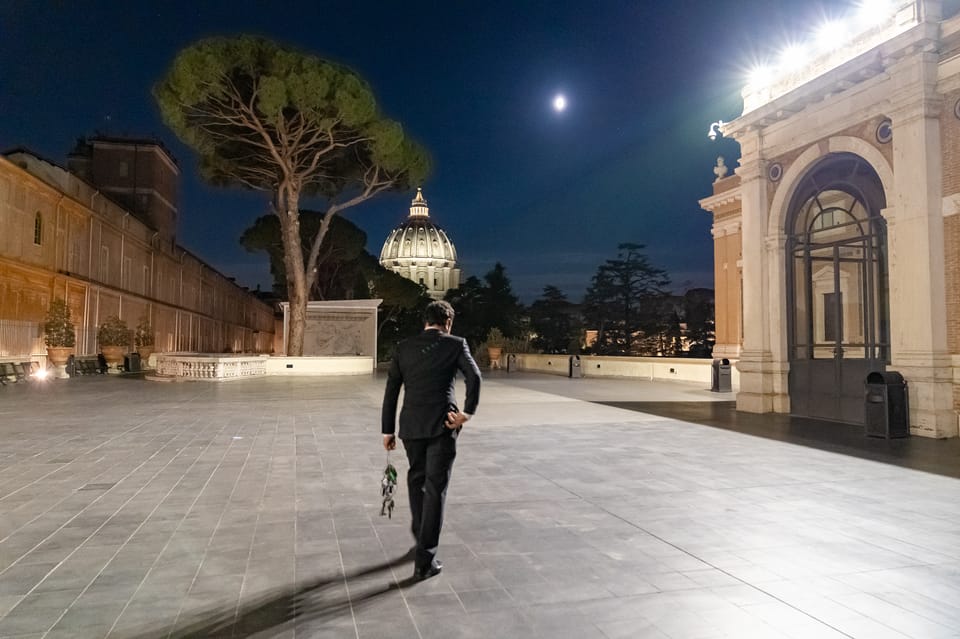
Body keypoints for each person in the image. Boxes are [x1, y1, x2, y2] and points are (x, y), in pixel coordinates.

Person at [381, 300, 481, 580]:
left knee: (417, 481)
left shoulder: (403, 347)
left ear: (424, 322)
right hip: (443, 425)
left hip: (411, 426)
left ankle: (420, 536)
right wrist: (467, 414)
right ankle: (425, 559)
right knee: (436, 488)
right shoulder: (455, 344)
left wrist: (387, 431)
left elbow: (391, 392)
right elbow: (475, 378)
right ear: (448, 322)